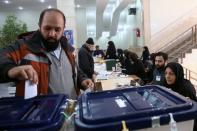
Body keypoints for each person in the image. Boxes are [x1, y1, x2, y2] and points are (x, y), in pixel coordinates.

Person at [0, 8, 94, 99]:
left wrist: (82, 80)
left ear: (63, 29)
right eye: (47, 28)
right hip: (42, 113)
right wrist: (10, 69)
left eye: (57, 30)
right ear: (39, 26)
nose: (52, 34)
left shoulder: (67, 49)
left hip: (70, 110)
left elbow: (74, 70)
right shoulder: (24, 46)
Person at [163, 62, 197, 131]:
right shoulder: (166, 83)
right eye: (166, 73)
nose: (167, 76)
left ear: (178, 74)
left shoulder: (186, 89)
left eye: (171, 74)